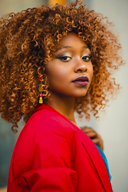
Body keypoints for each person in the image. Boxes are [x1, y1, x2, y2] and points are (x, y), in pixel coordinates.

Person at [0, 0, 124, 191]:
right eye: (65, 57)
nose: (82, 65)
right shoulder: (46, 130)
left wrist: (92, 152)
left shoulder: (65, 130)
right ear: (38, 71)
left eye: (86, 57)